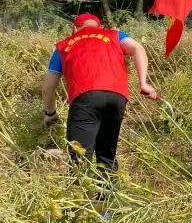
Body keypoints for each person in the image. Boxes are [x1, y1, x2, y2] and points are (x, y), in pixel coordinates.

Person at [41, 13, 158, 172]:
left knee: (79, 160)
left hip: (85, 97)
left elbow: (48, 88)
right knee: (106, 156)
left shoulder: (63, 45)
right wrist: (143, 83)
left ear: (73, 28)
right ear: (100, 27)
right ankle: (109, 195)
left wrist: (50, 112)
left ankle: (81, 194)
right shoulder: (114, 35)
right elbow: (137, 47)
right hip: (117, 97)